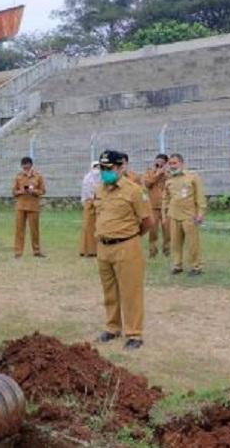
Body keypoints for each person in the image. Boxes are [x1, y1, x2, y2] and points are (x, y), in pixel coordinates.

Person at [94, 150, 152, 350]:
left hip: (127, 246)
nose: (105, 172)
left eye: (109, 168)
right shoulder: (99, 189)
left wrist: (130, 237)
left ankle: (134, 333)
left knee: (130, 292)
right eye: (102, 168)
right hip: (104, 247)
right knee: (109, 291)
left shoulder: (134, 191)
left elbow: (147, 221)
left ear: (121, 167)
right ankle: (112, 328)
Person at [163, 153, 207, 276]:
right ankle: (177, 265)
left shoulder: (192, 177)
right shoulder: (169, 180)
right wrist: (165, 214)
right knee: (175, 243)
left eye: (175, 163)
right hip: (174, 215)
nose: (172, 166)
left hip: (189, 216)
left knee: (192, 243)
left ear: (182, 163)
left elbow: (200, 196)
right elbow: (165, 198)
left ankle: (196, 267)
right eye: (170, 163)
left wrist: (200, 213)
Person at [12, 156, 46, 258]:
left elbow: (43, 191)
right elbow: (14, 191)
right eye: (23, 165)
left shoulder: (38, 176)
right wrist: (21, 191)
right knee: (19, 229)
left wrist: (34, 191)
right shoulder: (18, 176)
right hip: (21, 206)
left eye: (26, 164)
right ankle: (18, 251)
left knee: (34, 230)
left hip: (33, 206)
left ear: (31, 164)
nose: (25, 167)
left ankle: (36, 251)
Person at [143, 154, 171, 258]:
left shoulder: (169, 172)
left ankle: (167, 250)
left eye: (162, 163)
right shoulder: (149, 172)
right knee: (153, 230)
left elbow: (172, 183)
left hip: (166, 206)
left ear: (166, 163)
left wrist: (165, 173)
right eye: (157, 162)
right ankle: (152, 251)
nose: (159, 164)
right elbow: (147, 184)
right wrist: (157, 174)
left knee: (167, 230)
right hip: (153, 206)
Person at [79, 161, 100, 257]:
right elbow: (87, 192)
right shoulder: (87, 178)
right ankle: (86, 250)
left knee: (97, 227)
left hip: (99, 204)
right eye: (95, 167)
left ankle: (96, 250)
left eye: (98, 167)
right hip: (89, 204)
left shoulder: (102, 178)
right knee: (88, 226)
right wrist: (93, 199)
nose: (97, 169)